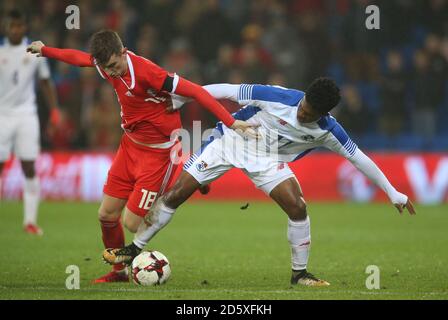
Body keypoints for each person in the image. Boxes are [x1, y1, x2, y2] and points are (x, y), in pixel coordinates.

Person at [104, 78, 416, 286]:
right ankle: (134, 249)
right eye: (303, 106)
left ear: (323, 113)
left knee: (298, 207)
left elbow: (358, 157)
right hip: (231, 140)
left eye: (309, 113)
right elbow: (227, 89)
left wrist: (392, 192)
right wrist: (184, 99)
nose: (302, 113)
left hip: (267, 161)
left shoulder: (328, 131)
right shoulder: (278, 97)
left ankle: (300, 274)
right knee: (175, 194)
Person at [26, 29, 255, 283]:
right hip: (129, 148)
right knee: (106, 215)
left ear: (123, 52)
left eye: (114, 65)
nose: (111, 72)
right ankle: (119, 272)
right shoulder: (104, 63)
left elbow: (197, 92)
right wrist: (45, 50)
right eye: (105, 68)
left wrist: (231, 122)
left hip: (159, 154)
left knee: (132, 223)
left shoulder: (148, 73)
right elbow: (80, 58)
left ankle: (188, 178)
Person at [0, 10, 61, 236]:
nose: (15, 30)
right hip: (2, 115)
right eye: (11, 26)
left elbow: (45, 82)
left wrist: (54, 110)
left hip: (27, 115)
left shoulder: (35, 51)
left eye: (19, 26)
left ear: (25, 27)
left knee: (29, 166)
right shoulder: (0, 51)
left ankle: (30, 221)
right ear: (6, 27)